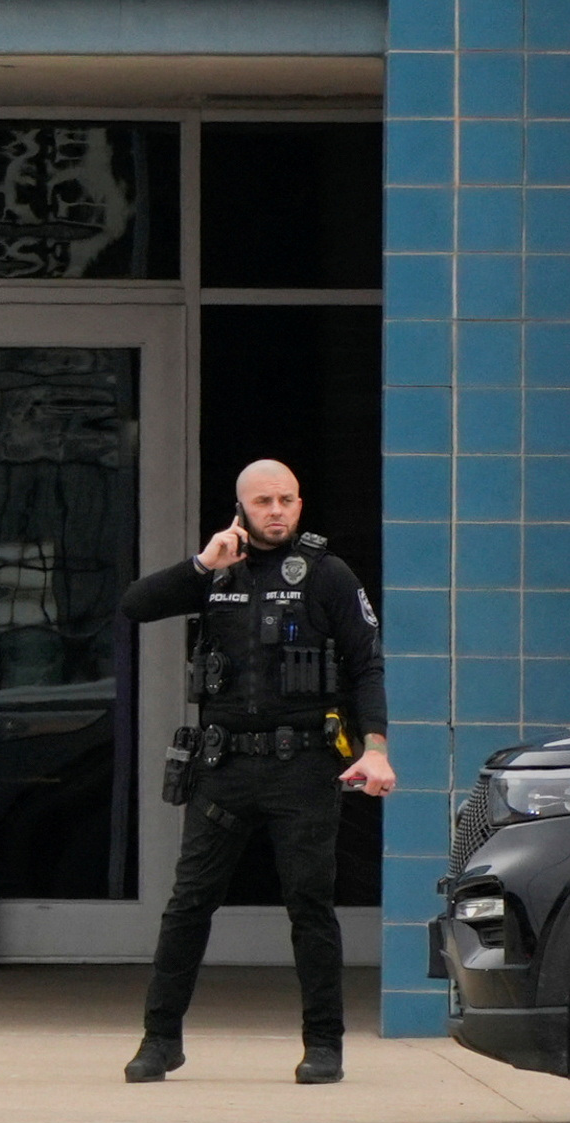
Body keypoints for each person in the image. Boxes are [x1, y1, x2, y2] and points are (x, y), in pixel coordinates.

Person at [116, 458, 391, 1086]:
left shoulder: (328, 575)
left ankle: (324, 1045)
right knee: (188, 905)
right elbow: (134, 606)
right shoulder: (216, 570)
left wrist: (373, 746)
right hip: (223, 766)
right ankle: (160, 1040)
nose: (276, 512)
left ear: (300, 504)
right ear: (240, 506)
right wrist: (200, 565)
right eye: (263, 501)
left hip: (303, 768)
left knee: (310, 907)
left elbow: (366, 666)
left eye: (287, 500)